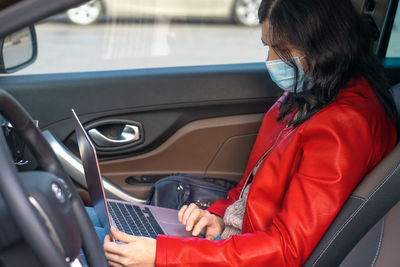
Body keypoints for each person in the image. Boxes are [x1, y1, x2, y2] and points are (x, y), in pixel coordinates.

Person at [102, 0, 398, 266]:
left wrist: (162, 255)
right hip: (236, 244)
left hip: (254, 255)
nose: (270, 59)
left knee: (91, 240)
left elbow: (287, 249)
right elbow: (252, 191)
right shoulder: (311, 94)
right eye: (267, 45)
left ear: (322, 45)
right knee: (98, 225)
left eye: (281, 49)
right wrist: (217, 217)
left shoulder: (343, 128)